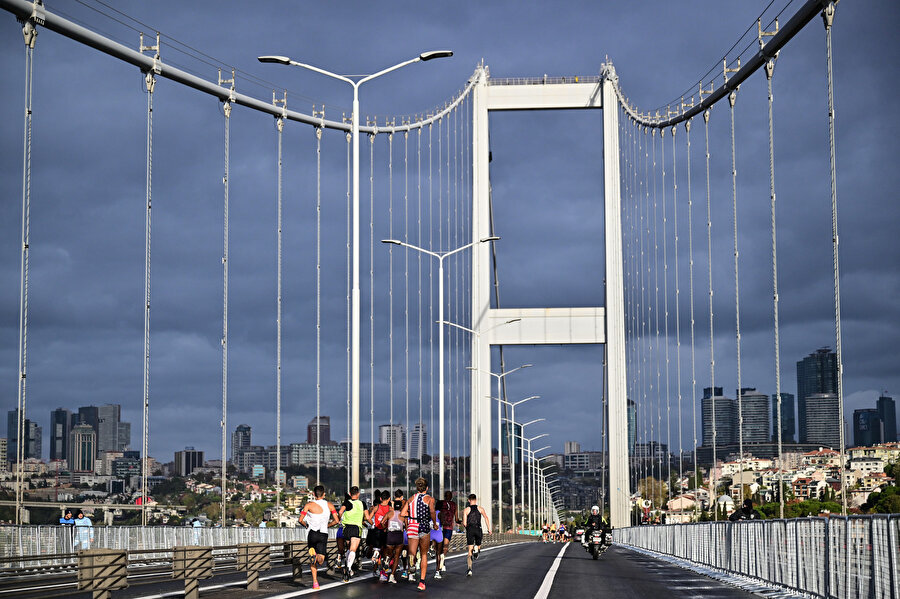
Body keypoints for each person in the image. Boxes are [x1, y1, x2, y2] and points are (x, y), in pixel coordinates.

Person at [298, 484, 340, 590]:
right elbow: (336, 521)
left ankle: (315, 583)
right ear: (324, 494)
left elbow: (300, 520)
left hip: (312, 533)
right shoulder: (330, 505)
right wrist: (328, 525)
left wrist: (305, 525)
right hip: (323, 534)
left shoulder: (308, 505)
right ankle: (316, 557)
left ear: (313, 494)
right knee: (321, 560)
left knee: (312, 559)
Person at [400, 477, 437, 591]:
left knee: (413, 551)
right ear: (427, 488)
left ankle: (411, 561)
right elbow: (432, 512)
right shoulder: (430, 499)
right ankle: (421, 582)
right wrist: (435, 523)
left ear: (417, 488)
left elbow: (402, 513)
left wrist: (411, 514)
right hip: (424, 526)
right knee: (424, 554)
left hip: (412, 526)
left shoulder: (411, 499)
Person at [337, 486, 370, 582]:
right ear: (358, 494)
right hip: (356, 527)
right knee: (353, 550)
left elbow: (340, 511)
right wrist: (370, 524)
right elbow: (367, 516)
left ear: (350, 494)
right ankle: (348, 567)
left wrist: (341, 519)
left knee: (348, 548)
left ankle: (349, 567)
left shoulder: (347, 502)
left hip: (346, 527)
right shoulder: (362, 503)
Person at [462, 493, 490, 577]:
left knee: (469, 551)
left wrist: (466, 526)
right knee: (478, 545)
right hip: (478, 529)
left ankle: (469, 569)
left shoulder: (466, 510)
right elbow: (486, 518)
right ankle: (477, 550)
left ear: (469, 500)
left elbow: (464, 523)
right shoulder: (480, 508)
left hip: (470, 529)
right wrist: (489, 529)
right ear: (476, 500)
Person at [368, 490, 392, 581]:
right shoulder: (390, 509)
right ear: (389, 499)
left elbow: (368, 518)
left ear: (380, 498)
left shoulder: (376, 507)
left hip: (377, 531)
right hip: (386, 532)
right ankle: (383, 571)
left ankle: (375, 570)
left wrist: (373, 524)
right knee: (385, 552)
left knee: (377, 550)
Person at [384, 494, 406, 584]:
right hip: (399, 535)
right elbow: (407, 528)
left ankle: (387, 558)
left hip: (390, 534)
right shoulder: (403, 515)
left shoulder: (389, 513)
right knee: (397, 556)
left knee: (389, 551)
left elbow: (382, 522)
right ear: (401, 506)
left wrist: (385, 528)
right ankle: (392, 576)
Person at [436, 490, 459, 575]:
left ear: (445, 496)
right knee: (445, 546)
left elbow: (436, 513)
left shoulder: (441, 503)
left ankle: (440, 561)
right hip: (449, 527)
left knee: (439, 547)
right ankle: (443, 557)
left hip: (440, 527)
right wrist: (462, 522)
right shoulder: (454, 505)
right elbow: (456, 519)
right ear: (451, 497)